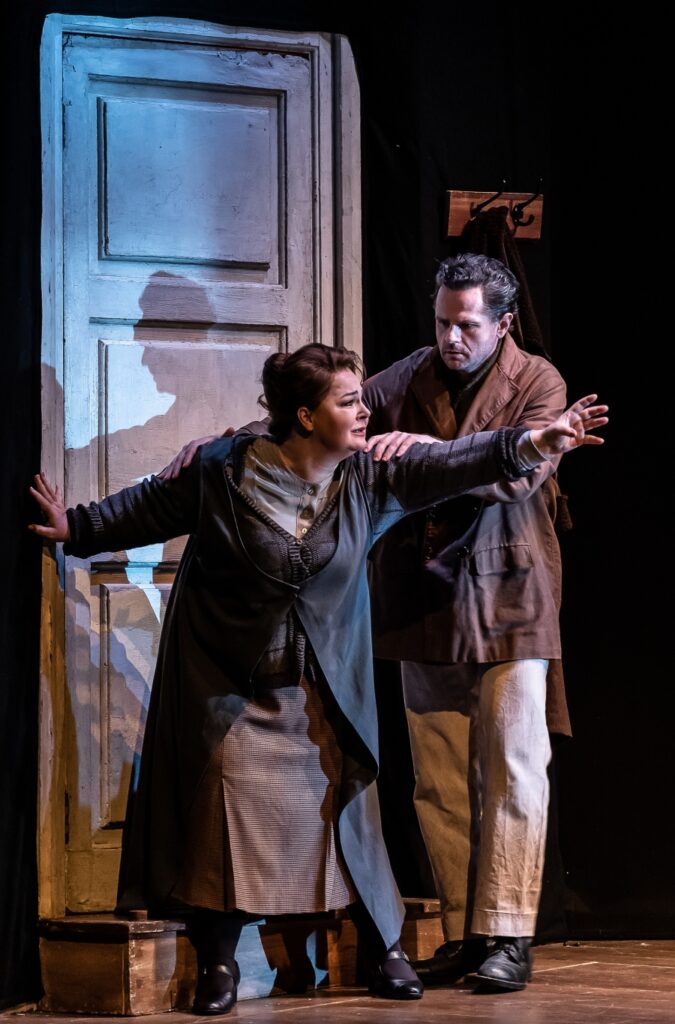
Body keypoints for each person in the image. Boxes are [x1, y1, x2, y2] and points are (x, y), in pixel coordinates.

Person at [30, 343, 606, 1014]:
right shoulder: (224, 471)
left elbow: (457, 461)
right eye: (348, 401)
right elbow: (150, 505)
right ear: (305, 416)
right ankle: (218, 957)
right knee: (222, 816)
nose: (366, 412)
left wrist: (539, 441)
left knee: (346, 812)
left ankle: (383, 944)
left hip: (320, 689)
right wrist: (77, 526)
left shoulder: (369, 478)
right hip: (234, 686)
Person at [363, 253, 581, 991]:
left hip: (510, 596)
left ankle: (509, 933)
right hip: (423, 598)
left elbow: (515, 476)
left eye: (466, 326)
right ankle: (463, 932)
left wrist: (428, 453)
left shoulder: (538, 382)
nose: (450, 339)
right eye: (441, 323)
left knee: (514, 768)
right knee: (439, 780)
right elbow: (338, 418)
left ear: (503, 324)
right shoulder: (406, 377)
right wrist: (233, 442)